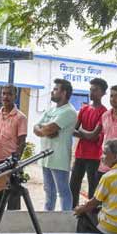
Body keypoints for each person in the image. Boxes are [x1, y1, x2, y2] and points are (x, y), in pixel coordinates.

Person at [74, 140, 117, 234]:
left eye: (104, 153)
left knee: (83, 215)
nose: (101, 157)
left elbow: (93, 203)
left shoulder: (109, 176)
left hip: (112, 226)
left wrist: (79, 209)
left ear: (115, 157)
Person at [35, 79, 79, 210]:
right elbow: (36, 128)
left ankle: (66, 220)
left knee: (63, 192)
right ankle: (48, 219)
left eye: (55, 89)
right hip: (45, 157)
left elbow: (48, 128)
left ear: (64, 93)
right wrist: (46, 130)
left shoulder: (69, 111)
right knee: (49, 192)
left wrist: (45, 129)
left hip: (59, 158)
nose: (52, 92)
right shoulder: (51, 110)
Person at [0, 84, 28, 209]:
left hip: (10, 165)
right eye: (3, 93)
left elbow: (21, 142)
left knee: (13, 200)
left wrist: (14, 163)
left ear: (15, 96)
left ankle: (12, 227)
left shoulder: (20, 117)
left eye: (9, 94)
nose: (6, 97)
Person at [72, 78, 108, 206]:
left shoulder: (104, 113)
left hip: (94, 156)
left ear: (103, 93)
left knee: (93, 188)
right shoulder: (84, 109)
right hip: (80, 153)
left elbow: (93, 136)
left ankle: (91, 216)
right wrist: (87, 134)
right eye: (91, 90)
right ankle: (73, 212)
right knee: (73, 186)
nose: (92, 92)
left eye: (95, 90)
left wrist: (82, 131)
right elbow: (73, 130)